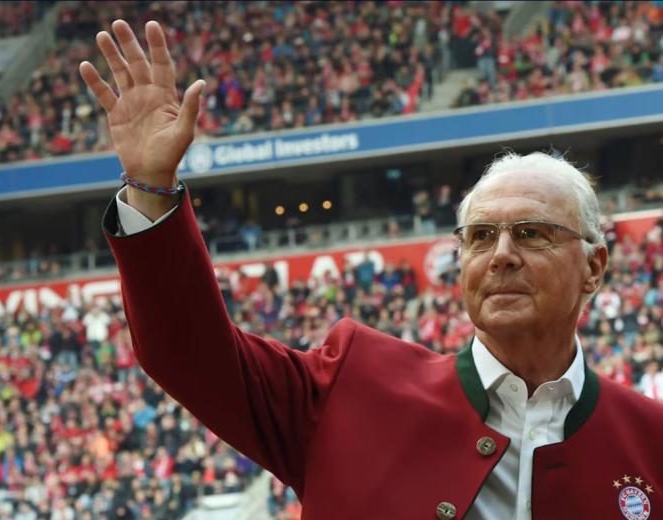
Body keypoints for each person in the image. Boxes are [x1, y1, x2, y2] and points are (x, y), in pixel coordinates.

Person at [80, 20, 663, 519]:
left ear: (594, 266)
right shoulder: (350, 387)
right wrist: (150, 189)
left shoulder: (651, 440)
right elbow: (188, 353)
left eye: (532, 233)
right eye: (481, 236)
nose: (502, 253)